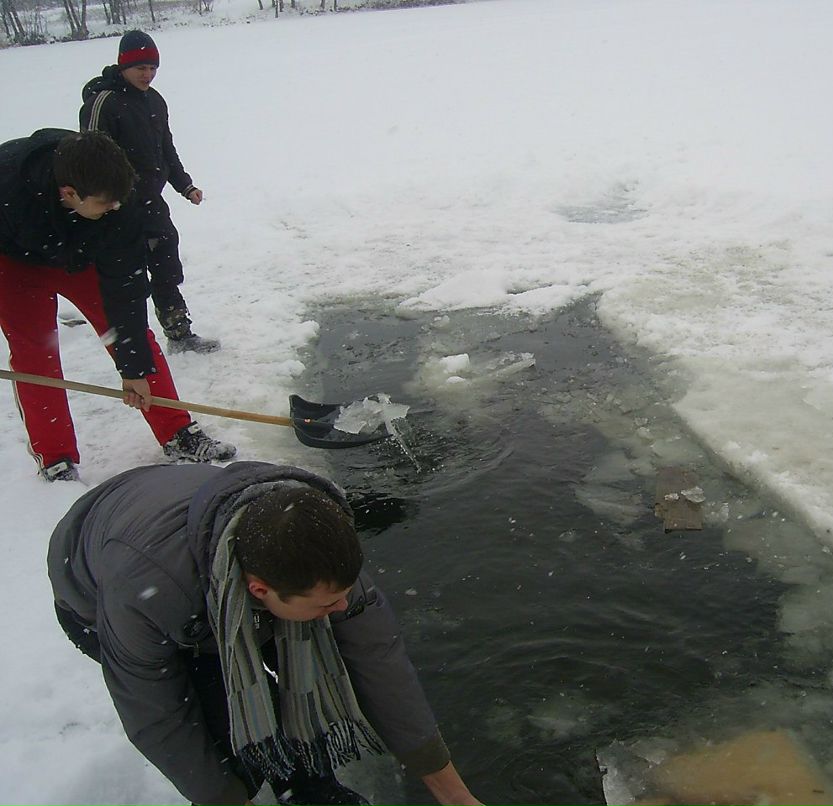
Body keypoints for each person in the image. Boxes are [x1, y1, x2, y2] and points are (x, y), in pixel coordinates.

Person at [49, 461, 483, 806]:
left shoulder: (319, 558)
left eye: (343, 596)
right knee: (220, 718)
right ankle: (267, 778)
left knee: (306, 671)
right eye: (326, 604)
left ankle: (310, 788)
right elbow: (158, 717)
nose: (341, 608)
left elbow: (379, 665)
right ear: (258, 590)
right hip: (100, 587)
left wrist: (455, 794)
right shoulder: (150, 594)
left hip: (175, 517)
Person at [0, 128, 235, 482]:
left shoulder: (119, 198)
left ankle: (177, 432)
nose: (116, 208)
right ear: (69, 193)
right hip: (13, 262)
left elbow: (125, 292)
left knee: (133, 337)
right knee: (35, 355)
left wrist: (133, 369)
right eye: (105, 203)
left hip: (83, 254)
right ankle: (56, 459)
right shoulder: (9, 182)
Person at [80, 29, 219, 354]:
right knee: (128, 278)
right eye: (140, 68)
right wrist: (105, 202)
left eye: (152, 67)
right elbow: (88, 157)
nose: (148, 74)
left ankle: (179, 333)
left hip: (150, 201)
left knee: (167, 265)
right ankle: (135, 347)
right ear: (123, 66)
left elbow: (165, 149)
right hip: (116, 208)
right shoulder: (104, 102)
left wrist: (184, 185)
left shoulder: (154, 100)